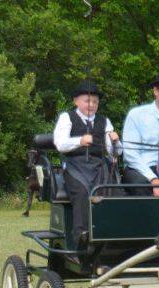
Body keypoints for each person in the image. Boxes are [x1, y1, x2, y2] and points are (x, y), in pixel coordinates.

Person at [53, 81, 122, 250]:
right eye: (87, 101)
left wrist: (115, 141)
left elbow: (115, 153)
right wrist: (80, 141)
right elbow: (60, 144)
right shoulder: (67, 117)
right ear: (76, 101)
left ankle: (108, 236)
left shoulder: (104, 121)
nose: (91, 105)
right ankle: (82, 237)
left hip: (99, 165)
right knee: (83, 192)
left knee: (109, 191)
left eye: (95, 102)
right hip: (75, 166)